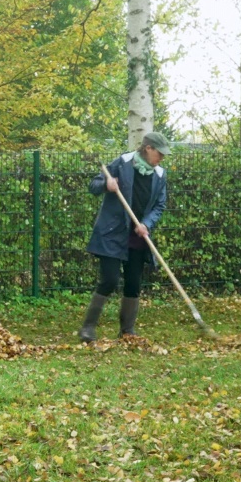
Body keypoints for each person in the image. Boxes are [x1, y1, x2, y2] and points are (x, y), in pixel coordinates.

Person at [78, 132, 171, 342]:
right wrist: (106, 185)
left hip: (138, 236)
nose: (162, 158)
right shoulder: (122, 163)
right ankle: (88, 328)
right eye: (160, 153)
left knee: (133, 283)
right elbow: (93, 186)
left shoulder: (159, 174)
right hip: (112, 233)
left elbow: (159, 205)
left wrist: (146, 223)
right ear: (148, 148)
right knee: (109, 280)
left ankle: (127, 331)